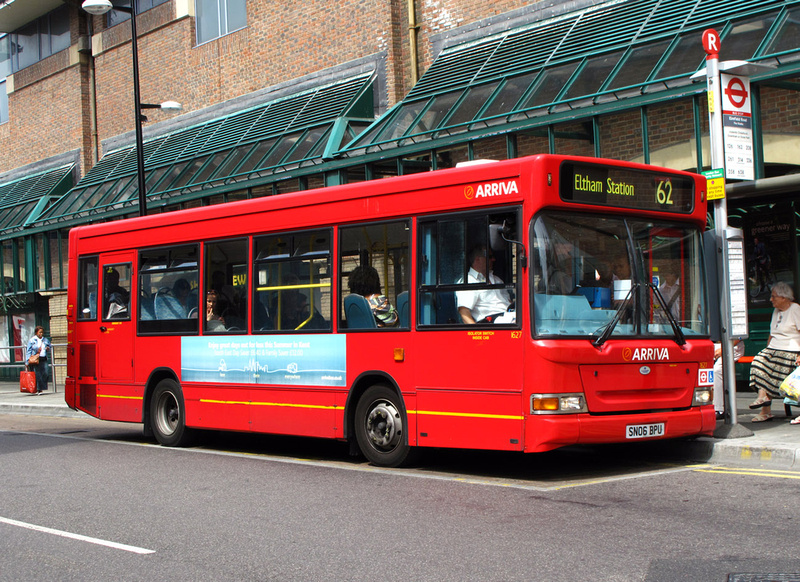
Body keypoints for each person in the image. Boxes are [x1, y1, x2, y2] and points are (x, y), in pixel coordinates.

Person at [748, 281, 800, 422]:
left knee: (775, 368)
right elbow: (772, 334)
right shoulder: (776, 311)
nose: (771, 299)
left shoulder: (795, 310)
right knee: (759, 362)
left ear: (784, 297)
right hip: (774, 349)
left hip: (791, 350)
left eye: (774, 296)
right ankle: (763, 401)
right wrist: (767, 349)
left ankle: (764, 404)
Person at [456, 244, 512, 324]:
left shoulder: (497, 280)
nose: (493, 259)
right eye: (490, 257)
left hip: (509, 317)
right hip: (491, 322)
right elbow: (464, 312)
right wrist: (476, 332)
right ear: (477, 259)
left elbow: (508, 302)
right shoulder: (469, 281)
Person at [713, 339, 745, 420]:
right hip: (715, 345)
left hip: (732, 346)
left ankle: (719, 409)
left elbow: (737, 338)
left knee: (717, 370)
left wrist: (723, 349)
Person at [25, 326, 51, 395]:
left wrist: (48, 348)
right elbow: (29, 351)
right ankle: (39, 389)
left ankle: (42, 387)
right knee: (38, 374)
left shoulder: (45, 340)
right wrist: (27, 361)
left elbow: (50, 347)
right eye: (39, 332)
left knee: (46, 373)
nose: (41, 334)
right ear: (36, 332)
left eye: (42, 332)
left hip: (44, 358)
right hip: (36, 359)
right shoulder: (32, 340)